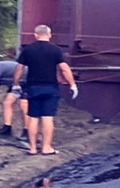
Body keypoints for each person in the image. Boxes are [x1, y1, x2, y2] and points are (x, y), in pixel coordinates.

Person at [12, 24, 78, 156]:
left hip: (33, 88)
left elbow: (19, 68)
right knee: (48, 118)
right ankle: (46, 148)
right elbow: (64, 68)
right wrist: (72, 84)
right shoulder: (56, 50)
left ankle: (32, 148)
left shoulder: (28, 50)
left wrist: (16, 83)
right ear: (49, 35)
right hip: (50, 88)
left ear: (35, 35)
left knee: (33, 117)